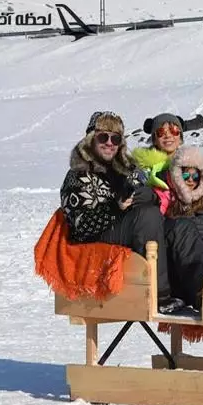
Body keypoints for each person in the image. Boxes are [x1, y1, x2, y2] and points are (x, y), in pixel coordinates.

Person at [59, 111, 184, 314]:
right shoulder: (79, 174)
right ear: (91, 138)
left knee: (174, 222)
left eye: (115, 138)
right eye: (103, 137)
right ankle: (159, 295)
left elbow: (150, 195)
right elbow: (81, 226)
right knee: (148, 216)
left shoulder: (126, 169)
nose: (110, 143)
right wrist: (115, 206)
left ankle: (188, 286)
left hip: (123, 228)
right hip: (95, 240)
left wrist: (143, 195)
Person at [153, 145, 203, 274]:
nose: (191, 180)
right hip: (180, 250)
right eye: (186, 175)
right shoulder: (168, 196)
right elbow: (158, 219)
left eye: (195, 176)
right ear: (177, 175)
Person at [132, 113, 186, 190]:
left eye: (174, 130)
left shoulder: (191, 164)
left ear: (180, 138)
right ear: (154, 140)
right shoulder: (143, 169)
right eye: (161, 132)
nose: (168, 136)